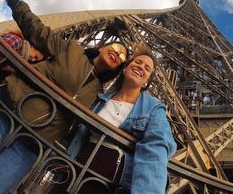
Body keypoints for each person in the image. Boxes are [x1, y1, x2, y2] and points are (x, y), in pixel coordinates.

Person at [0, 0, 129, 194]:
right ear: (101, 47)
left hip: (28, 146)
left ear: (119, 68)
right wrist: (16, 3)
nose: (118, 54)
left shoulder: (100, 96)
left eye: (123, 57)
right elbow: (39, 31)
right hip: (2, 112)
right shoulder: (72, 50)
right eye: (116, 48)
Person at [73, 45, 177, 193]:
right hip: (76, 167)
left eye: (147, 68)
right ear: (125, 68)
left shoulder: (153, 107)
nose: (141, 67)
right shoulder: (99, 98)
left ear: (147, 82)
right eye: (137, 62)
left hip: (111, 178)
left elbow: (156, 147)